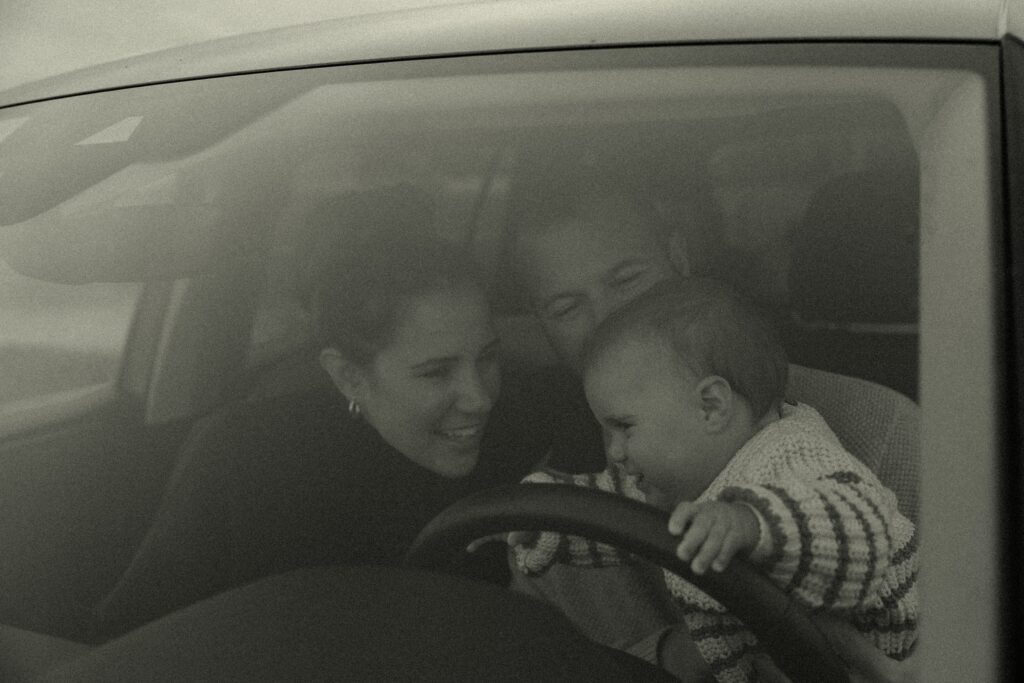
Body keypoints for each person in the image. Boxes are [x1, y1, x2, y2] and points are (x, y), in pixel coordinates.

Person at [92, 233, 551, 637]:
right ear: (349, 377)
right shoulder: (249, 457)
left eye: (488, 358)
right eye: (436, 373)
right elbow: (131, 637)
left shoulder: (539, 433)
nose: (480, 398)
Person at [510, 278, 918, 682]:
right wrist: (545, 521)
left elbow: (859, 533)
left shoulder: (793, 453)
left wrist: (748, 525)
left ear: (711, 406)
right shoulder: (689, 481)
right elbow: (622, 518)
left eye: (623, 426)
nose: (614, 450)